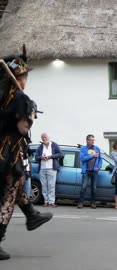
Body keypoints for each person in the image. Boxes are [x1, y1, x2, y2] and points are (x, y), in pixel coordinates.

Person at [0, 52, 52, 260]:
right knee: (9, 196)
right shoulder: (19, 98)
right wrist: (30, 115)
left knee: (16, 186)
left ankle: (31, 214)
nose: (26, 80)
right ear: (20, 77)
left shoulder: (3, 96)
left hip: (5, 154)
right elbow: (22, 129)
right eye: (26, 77)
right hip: (6, 157)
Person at [35, 133, 63, 207]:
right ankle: (46, 201)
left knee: (51, 186)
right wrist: (41, 157)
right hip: (42, 169)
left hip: (52, 168)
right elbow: (36, 157)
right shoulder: (40, 147)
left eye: (45, 137)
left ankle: (51, 202)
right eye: (42, 137)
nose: (44, 138)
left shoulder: (54, 145)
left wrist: (51, 156)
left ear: (48, 137)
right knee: (44, 186)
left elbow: (60, 154)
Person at [78, 134, 102, 209]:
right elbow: (82, 159)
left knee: (94, 188)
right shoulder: (83, 149)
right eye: (91, 140)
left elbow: (100, 159)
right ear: (87, 140)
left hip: (94, 171)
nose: (93, 141)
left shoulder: (97, 148)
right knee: (83, 187)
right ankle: (81, 202)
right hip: (86, 171)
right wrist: (92, 155)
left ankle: (93, 203)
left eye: (93, 140)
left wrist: (99, 166)